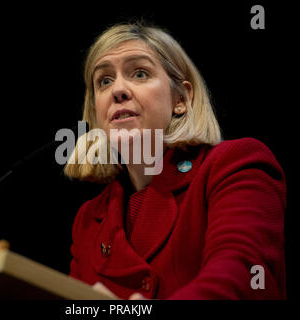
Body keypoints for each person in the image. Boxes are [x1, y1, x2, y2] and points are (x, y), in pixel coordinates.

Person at [64, 22, 286, 300]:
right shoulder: (88, 220)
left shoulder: (234, 165)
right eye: (104, 81)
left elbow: (241, 277)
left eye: (139, 73)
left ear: (181, 98)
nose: (117, 90)